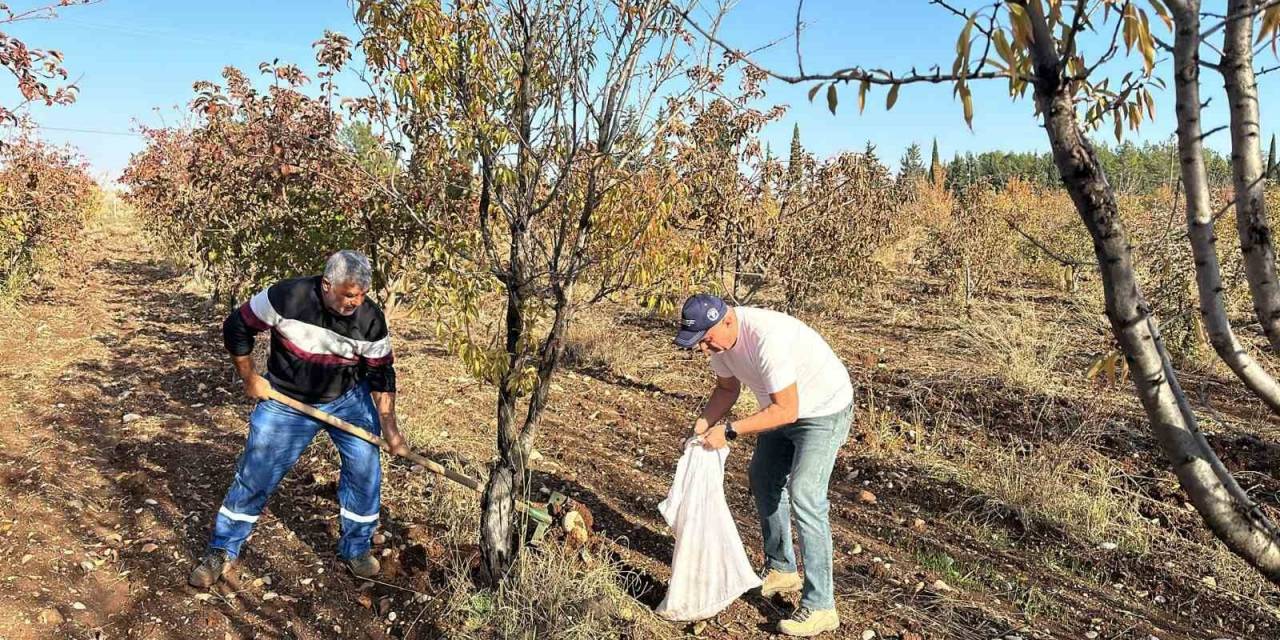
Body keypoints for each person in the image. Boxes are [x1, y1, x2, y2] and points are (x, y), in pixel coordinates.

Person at [188, 250, 408, 588]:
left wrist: (391, 430)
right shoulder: (285, 297)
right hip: (286, 399)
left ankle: (356, 548)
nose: (356, 302)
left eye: (362, 295)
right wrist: (249, 378)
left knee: (365, 473)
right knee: (256, 472)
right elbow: (237, 327)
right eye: (350, 295)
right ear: (327, 285)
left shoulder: (371, 320)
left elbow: (382, 375)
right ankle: (222, 548)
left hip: (348, 398)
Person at [675, 293, 853, 637]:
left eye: (706, 339)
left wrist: (728, 431)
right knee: (763, 477)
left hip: (823, 410)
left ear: (727, 320)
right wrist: (698, 430)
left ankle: (821, 605)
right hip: (781, 407)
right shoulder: (720, 343)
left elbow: (787, 410)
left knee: (805, 495)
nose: (703, 349)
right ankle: (781, 567)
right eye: (698, 342)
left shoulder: (766, 340)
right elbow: (726, 390)